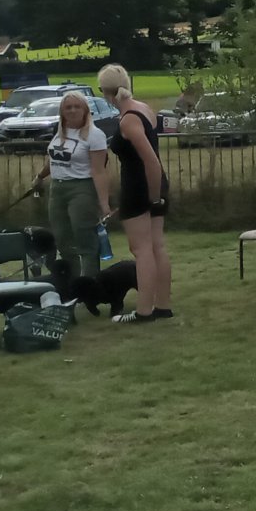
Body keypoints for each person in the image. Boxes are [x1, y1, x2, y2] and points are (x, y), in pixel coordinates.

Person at [98, 65, 172, 323]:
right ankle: (162, 305)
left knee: (141, 250)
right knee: (156, 247)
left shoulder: (128, 118)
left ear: (104, 91)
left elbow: (150, 161)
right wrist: (158, 193)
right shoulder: (144, 108)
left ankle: (144, 311)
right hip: (155, 184)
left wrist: (152, 197)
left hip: (140, 187)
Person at [39, 91, 111, 282]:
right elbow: (54, 159)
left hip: (82, 189)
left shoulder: (95, 135)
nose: (72, 110)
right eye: (68, 107)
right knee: (62, 239)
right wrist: (39, 177)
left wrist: (104, 204)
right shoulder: (60, 130)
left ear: (85, 110)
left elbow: (99, 171)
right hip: (57, 188)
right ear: (62, 111)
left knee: (84, 238)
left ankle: (90, 285)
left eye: (76, 106)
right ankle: (71, 282)